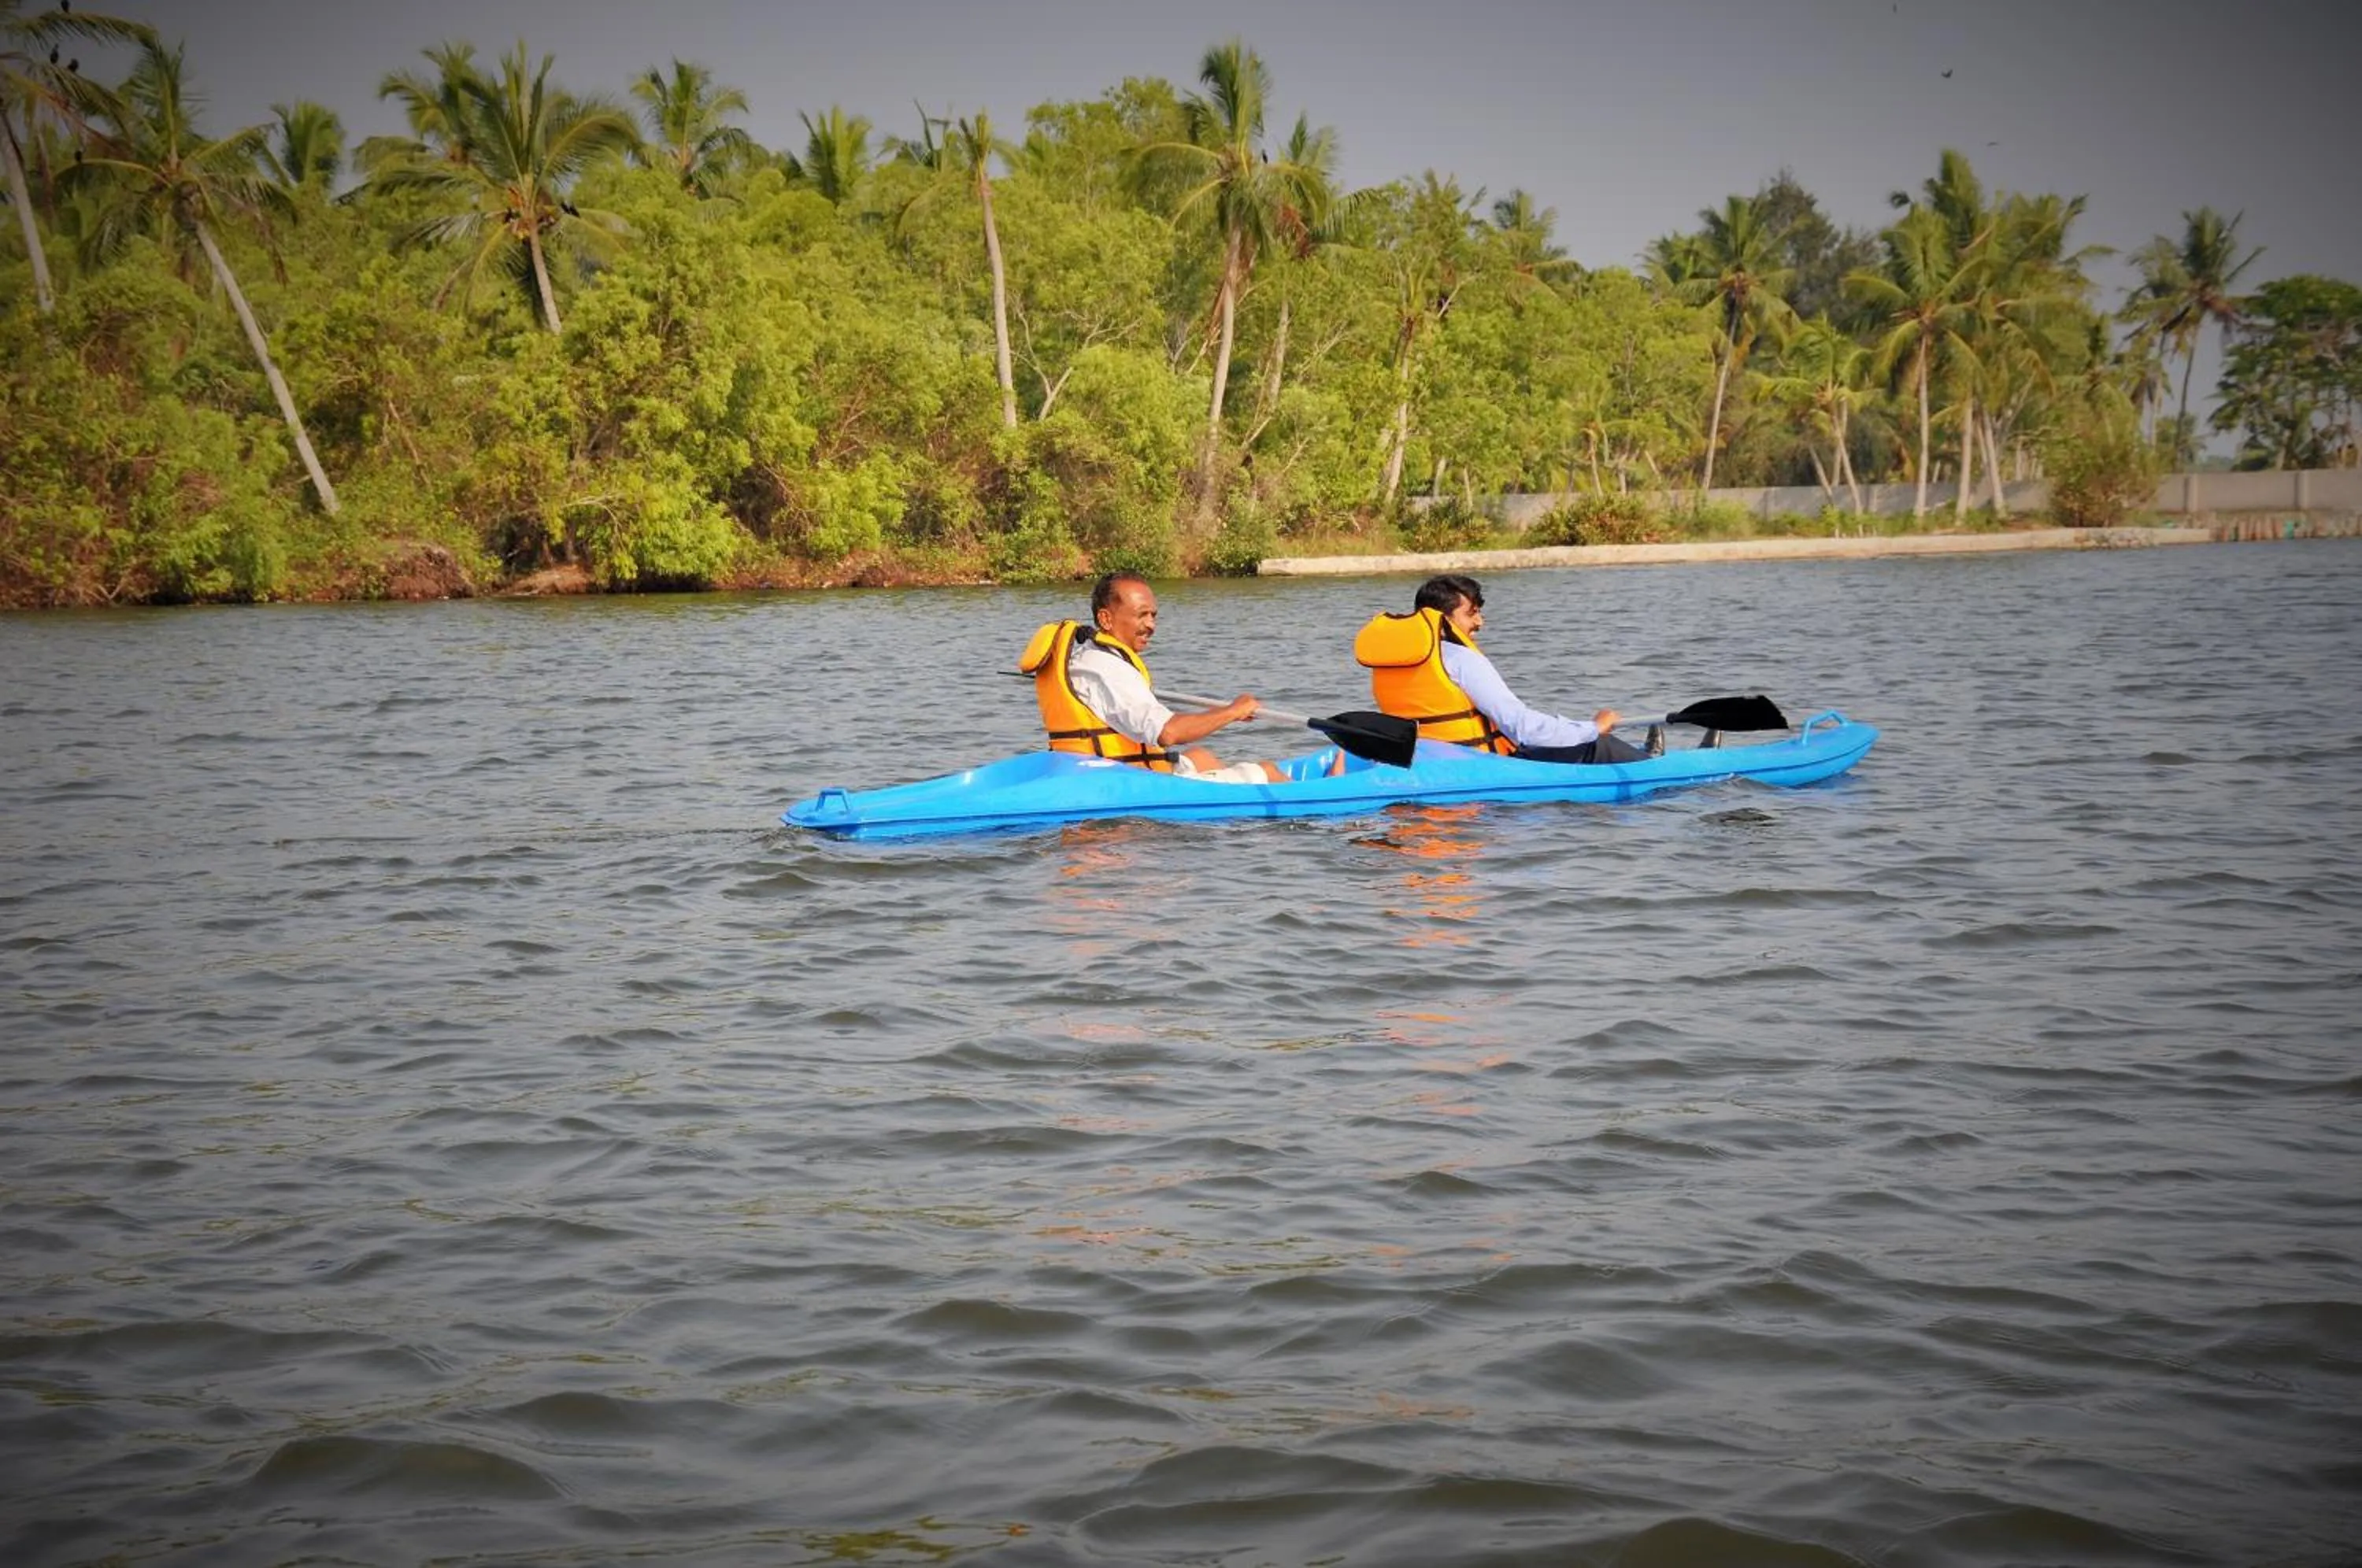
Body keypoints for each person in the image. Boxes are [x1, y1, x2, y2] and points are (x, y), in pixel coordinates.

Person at [1018, 572, 1292, 784]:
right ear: (1106, 618)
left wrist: (1225, 712)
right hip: (1128, 781)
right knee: (1269, 771)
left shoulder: (1087, 658)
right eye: (1141, 616)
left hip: (1097, 770)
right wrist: (1233, 711)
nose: (1151, 625)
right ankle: (1327, 797)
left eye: (1153, 615)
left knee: (1201, 757)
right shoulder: (1109, 669)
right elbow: (1169, 733)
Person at [1353, 573, 1654, 764]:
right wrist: (1593, 728)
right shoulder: (1462, 660)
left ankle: (1640, 752)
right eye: (1472, 614)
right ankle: (1653, 766)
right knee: (1599, 747)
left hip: (1426, 761)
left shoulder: (1392, 661)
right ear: (1444, 619)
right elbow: (1521, 726)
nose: (1480, 623)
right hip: (1480, 766)